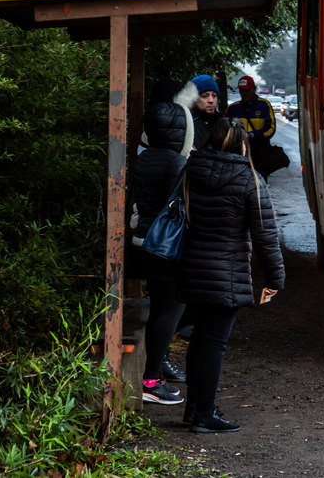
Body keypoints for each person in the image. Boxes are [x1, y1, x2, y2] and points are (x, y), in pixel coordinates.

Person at [176, 118, 285, 433]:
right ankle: (205, 415)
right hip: (225, 273)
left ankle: (194, 409)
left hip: (191, 268)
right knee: (214, 343)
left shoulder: (190, 171)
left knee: (200, 338)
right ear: (242, 145)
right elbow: (265, 236)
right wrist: (275, 278)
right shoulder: (249, 178)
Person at [131, 80, 199, 405]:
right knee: (171, 310)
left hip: (144, 242)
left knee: (159, 307)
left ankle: (152, 373)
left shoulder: (144, 158)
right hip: (167, 247)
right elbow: (182, 210)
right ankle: (151, 380)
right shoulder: (177, 164)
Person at [225, 76, 278, 178]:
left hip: (260, 155)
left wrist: (252, 135)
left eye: (246, 90)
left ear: (254, 89)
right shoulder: (233, 108)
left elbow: (270, 128)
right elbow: (225, 128)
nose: (243, 93)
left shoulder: (264, 105)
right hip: (238, 155)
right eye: (241, 90)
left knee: (259, 185)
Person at [190, 74, 221, 150]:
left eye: (214, 95)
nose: (211, 100)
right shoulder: (187, 123)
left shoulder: (222, 122)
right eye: (204, 96)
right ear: (194, 99)